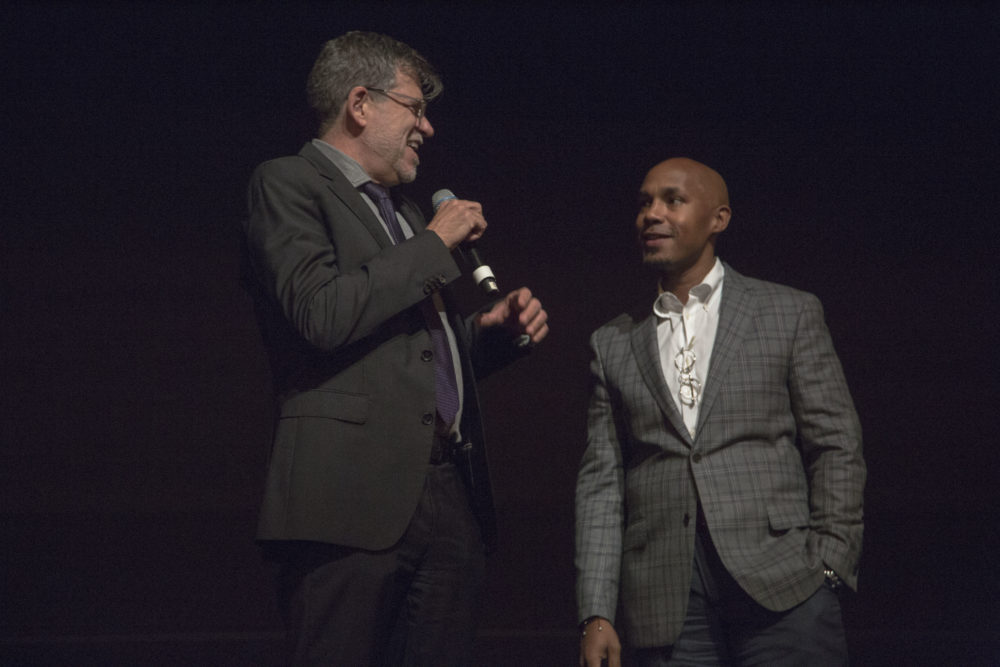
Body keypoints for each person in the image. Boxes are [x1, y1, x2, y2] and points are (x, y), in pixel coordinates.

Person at [241, 31, 548, 665]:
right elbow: (320, 314)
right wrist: (434, 245)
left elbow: (412, 354)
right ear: (361, 103)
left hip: (447, 497)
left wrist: (485, 339)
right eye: (415, 108)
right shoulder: (288, 182)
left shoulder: (405, 215)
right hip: (346, 503)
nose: (427, 128)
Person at [575, 158, 864, 666]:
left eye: (673, 200)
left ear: (718, 219)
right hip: (667, 600)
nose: (652, 214)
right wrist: (596, 612)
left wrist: (831, 562)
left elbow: (836, 443)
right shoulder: (613, 342)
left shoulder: (787, 312)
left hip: (785, 584)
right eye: (644, 202)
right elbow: (602, 485)